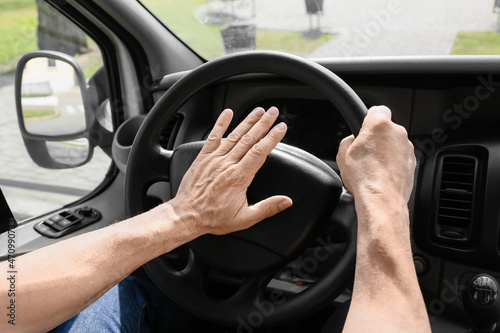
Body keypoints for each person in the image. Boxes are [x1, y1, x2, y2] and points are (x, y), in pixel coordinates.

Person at [0, 105, 431, 332]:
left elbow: (9, 303)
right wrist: (382, 196)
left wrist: (183, 215)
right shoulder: (378, 195)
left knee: (108, 288)